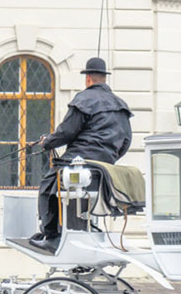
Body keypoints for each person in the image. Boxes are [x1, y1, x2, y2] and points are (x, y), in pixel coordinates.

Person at [30, 57, 133, 252]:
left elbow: (67, 132)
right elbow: (126, 140)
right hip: (104, 166)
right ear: (104, 78)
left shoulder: (84, 99)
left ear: (88, 79)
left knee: (47, 186)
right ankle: (80, 227)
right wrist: (109, 159)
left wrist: (47, 142)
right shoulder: (121, 105)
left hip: (80, 158)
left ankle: (51, 236)